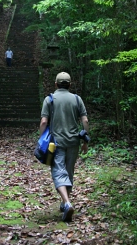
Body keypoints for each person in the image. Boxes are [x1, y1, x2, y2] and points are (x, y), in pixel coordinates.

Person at [40, 72, 89, 222]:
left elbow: (43, 122)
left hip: (57, 142)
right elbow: (85, 120)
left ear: (55, 84)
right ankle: (64, 202)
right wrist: (85, 141)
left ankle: (67, 203)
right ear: (69, 84)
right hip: (74, 142)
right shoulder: (76, 99)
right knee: (69, 171)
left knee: (58, 171)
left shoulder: (49, 99)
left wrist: (42, 140)